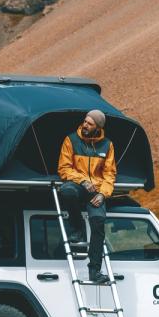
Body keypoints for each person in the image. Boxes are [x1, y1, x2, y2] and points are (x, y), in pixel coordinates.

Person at [57, 109, 116, 284]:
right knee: (67, 191)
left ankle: (95, 271)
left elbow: (110, 174)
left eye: (89, 124)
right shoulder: (71, 140)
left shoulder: (107, 145)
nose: (85, 125)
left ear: (98, 127)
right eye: (84, 121)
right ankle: (77, 229)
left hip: (96, 191)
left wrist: (103, 194)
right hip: (77, 184)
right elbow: (64, 168)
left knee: (98, 222)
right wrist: (82, 180)